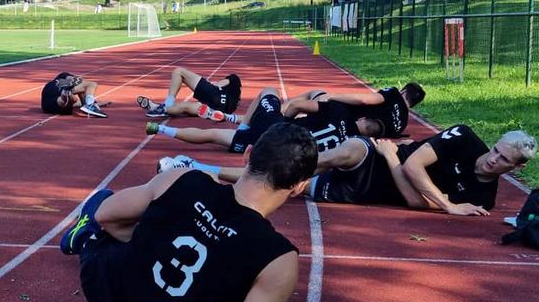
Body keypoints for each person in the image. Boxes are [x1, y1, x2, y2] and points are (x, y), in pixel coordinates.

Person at [59, 123, 428, 302]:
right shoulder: (278, 257)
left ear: (249, 154)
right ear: (299, 187)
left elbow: (109, 218)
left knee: (106, 209)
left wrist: (146, 240)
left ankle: (84, 239)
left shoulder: (183, 178)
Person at [165, 125, 535, 217]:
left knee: (286, 186)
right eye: (495, 150)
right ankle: (283, 156)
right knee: (348, 149)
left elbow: (414, 200)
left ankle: (195, 167)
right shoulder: (466, 138)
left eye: (502, 160)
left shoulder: (483, 197)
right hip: (369, 158)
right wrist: (445, 203)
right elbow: (415, 164)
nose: (491, 159)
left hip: (368, 189)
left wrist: (395, 162)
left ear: (515, 168)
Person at [145, 88, 385, 155]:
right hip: (282, 150)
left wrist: (283, 118)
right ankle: (162, 129)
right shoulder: (353, 145)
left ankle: (242, 123)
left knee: (267, 90)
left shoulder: (340, 111)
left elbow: (299, 105)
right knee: (213, 137)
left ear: (363, 117)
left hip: (275, 127)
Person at [284, 83, 425, 137]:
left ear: (404, 91)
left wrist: (332, 96)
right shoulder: (402, 124)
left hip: (343, 114)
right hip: (353, 135)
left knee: (315, 93)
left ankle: (281, 112)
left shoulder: (393, 94)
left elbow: (365, 100)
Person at [136, 66, 242, 119]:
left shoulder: (235, 79)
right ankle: (160, 108)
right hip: (220, 110)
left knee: (179, 71)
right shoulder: (234, 102)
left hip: (216, 95)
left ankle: (167, 103)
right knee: (184, 107)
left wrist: (210, 86)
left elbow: (219, 84)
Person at [39, 72, 107, 117]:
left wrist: (92, 103)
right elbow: (79, 81)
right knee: (91, 84)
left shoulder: (57, 83)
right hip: (54, 99)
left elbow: (79, 102)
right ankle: (67, 95)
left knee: (71, 100)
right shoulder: (63, 77)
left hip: (47, 104)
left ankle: (66, 94)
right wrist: (90, 103)